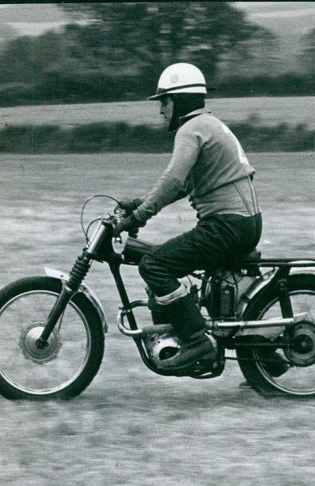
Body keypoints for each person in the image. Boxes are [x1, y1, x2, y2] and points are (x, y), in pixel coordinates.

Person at [115, 62, 262, 370]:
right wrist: (141, 202)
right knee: (164, 259)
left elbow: (172, 181)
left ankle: (197, 342)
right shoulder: (208, 125)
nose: (160, 111)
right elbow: (188, 185)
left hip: (226, 225)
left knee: (154, 265)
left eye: (164, 102)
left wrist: (137, 217)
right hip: (241, 223)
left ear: (180, 100)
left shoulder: (190, 129)